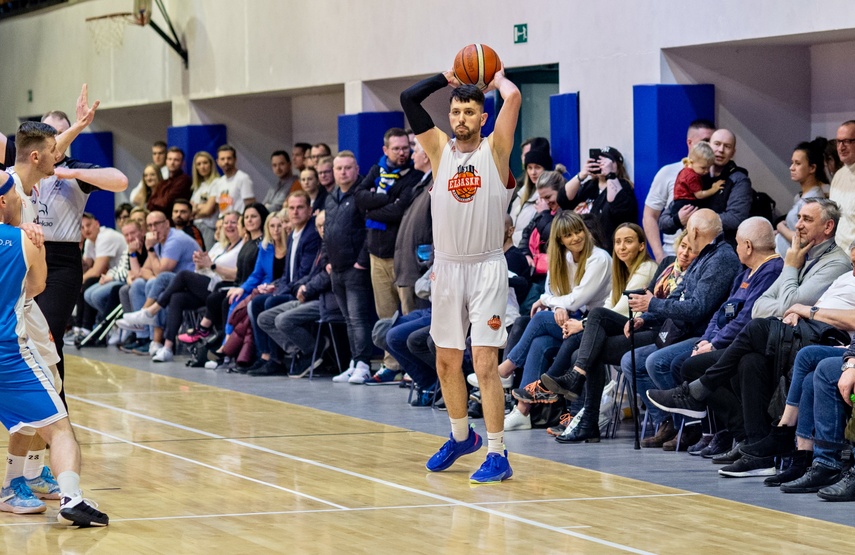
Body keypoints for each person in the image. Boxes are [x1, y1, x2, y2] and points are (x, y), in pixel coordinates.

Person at [646, 199, 852, 475]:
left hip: (810, 341)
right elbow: (760, 306)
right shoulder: (801, 255)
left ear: (828, 227)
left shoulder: (832, 262)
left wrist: (791, 268)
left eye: (807, 219)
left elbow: (789, 302)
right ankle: (754, 446)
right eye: (799, 217)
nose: (798, 225)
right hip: (785, 336)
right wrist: (790, 298)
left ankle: (698, 393)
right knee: (745, 361)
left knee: (750, 333)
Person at [400, 60, 521, 483]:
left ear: (483, 118)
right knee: (446, 361)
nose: (461, 118)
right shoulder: (438, 150)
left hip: (486, 266)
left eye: (469, 111)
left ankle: (498, 453)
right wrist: (445, 79)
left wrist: (496, 77)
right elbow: (408, 99)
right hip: (448, 269)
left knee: (485, 364)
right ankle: (460, 436)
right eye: (455, 111)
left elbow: (513, 97)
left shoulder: (496, 150)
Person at [543, 209, 741, 442]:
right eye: (618, 242)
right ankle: (585, 406)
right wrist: (643, 318)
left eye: (628, 241)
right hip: (668, 326)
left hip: (688, 332)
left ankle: (678, 424)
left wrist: (650, 307)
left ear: (695, 232)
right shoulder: (679, 262)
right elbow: (673, 297)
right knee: (593, 329)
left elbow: (696, 308)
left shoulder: (718, 258)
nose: (621, 247)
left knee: (630, 354)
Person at [0, 174, 108, 526]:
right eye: (15, 194)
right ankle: (71, 498)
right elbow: (36, 287)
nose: (21, 198)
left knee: (28, 419)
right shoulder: (25, 240)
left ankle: (18, 482)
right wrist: (35, 247)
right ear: (2, 202)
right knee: (59, 429)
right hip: (7, 355)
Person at [636, 217, 783, 450]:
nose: (735, 248)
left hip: (750, 345)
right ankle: (729, 431)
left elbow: (746, 318)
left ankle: (727, 431)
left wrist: (714, 344)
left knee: (687, 365)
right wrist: (707, 339)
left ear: (748, 246)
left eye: (737, 243)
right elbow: (721, 311)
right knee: (688, 363)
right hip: (724, 340)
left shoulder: (771, 270)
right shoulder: (746, 272)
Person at [498, 211, 613, 431]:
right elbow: (556, 293)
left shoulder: (599, 258)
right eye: (568, 235)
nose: (575, 238)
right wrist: (558, 306)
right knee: (540, 342)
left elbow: (576, 299)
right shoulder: (565, 258)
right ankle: (522, 411)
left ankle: (506, 370)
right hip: (576, 320)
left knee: (541, 318)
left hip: (597, 326)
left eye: (578, 231)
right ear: (560, 240)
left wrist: (548, 301)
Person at [119, 211, 244, 362]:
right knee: (176, 298)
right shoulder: (219, 246)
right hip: (201, 284)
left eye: (233, 222)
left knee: (173, 276)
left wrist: (211, 266)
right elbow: (142, 271)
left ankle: (148, 313)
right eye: (226, 223)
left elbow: (238, 274)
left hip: (220, 288)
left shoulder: (242, 247)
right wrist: (201, 264)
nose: (153, 229)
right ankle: (167, 347)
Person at [355, 127, 423, 382]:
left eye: (406, 148)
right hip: (376, 255)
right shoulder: (377, 170)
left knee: (409, 312)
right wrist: (385, 201)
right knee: (385, 314)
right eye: (396, 149)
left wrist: (373, 208)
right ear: (386, 150)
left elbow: (399, 210)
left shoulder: (414, 176)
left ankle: (412, 367)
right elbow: (359, 197)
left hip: (402, 256)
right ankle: (391, 364)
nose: (402, 153)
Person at [659, 129, 752, 243]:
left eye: (727, 146)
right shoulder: (692, 175)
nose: (721, 150)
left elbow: (735, 219)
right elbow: (664, 223)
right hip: (691, 247)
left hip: (722, 247)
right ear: (708, 146)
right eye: (717, 144)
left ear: (733, 152)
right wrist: (678, 219)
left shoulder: (739, 179)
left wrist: (698, 218)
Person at [643, 120, 715, 262]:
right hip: (673, 253)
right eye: (705, 141)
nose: (709, 147)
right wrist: (659, 255)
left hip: (707, 256)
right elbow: (650, 215)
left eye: (712, 142)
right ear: (690, 142)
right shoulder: (668, 172)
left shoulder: (716, 176)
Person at [560, 146, 637, 251]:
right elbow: (562, 200)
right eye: (599, 160)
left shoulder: (622, 186)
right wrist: (582, 174)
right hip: (581, 247)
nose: (602, 164)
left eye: (607, 161)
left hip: (606, 249)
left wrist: (610, 175)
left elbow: (620, 210)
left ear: (618, 166)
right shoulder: (589, 186)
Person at [776, 139, 830, 257]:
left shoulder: (813, 200)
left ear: (812, 168)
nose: (791, 168)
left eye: (797, 163)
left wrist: (780, 228)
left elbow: (805, 240)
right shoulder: (803, 196)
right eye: (792, 163)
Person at [509, 146, 552, 247]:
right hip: (515, 249)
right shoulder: (520, 195)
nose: (533, 172)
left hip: (531, 251)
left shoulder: (548, 198)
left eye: (537, 167)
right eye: (529, 167)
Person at [669, 141, 724, 219]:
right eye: (703, 168)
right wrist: (713, 189)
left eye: (709, 167)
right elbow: (699, 195)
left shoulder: (686, 170)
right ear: (692, 162)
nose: (706, 171)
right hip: (685, 204)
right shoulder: (692, 176)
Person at [829, 120, 855, 250]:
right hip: (837, 252)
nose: (841, 147)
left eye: (847, 141)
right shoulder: (839, 175)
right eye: (838, 142)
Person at [146, 147, 192, 216]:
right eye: (170, 159)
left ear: (182, 163)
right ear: (166, 161)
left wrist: (155, 202)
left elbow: (166, 203)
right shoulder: (163, 182)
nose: (172, 163)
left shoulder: (184, 180)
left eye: (176, 160)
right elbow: (149, 204)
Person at [189, 151, 219, 249]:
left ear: (211, 164)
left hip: (209, 226)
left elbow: (208, 210)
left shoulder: (216, 182)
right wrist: (201, 206)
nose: (202, 166)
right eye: (199, 164)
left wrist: (196, 208)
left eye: (205, 163)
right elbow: (190, 209)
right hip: (196, 226)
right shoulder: (198, 186)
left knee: (207, 254)